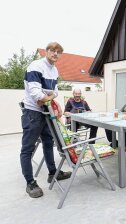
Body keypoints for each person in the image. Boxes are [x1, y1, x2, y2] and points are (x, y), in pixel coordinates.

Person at [20, 42, 71, 198]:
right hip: (33, 113)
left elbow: (55, 91)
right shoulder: (36, 66)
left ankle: (52, 172)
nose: (55, 54)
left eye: (58, 52)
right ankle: (30, 183)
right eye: (52, 50)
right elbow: (35, 93)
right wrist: (44, 97)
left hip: (46, 111)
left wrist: (47, 98)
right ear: (46, 51)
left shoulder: (54, 70)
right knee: (27, 149)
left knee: (48, 143)